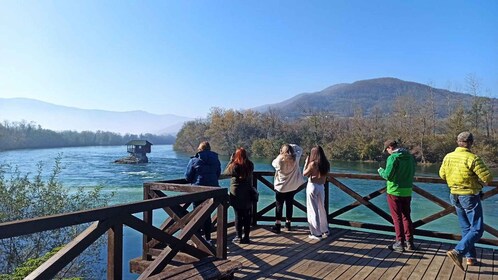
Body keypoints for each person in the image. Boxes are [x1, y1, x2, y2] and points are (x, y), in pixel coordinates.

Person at [439, 132, 493, 270]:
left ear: (458, 142)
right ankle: (458, 251)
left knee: (466, 228)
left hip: (454, 195)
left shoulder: (448, 157)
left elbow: (442, 174)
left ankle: (470, 258)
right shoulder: (472, 158)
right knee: (477, 229)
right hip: (469, 196)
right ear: (470, 143)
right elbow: (488, 178)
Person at [378, 139, 416, 252]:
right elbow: (413, 171)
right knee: (406, 216)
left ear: (390, 147)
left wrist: (380, 171)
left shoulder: (393, 158)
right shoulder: (409, 157)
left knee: (397, 218)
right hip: (407, 190)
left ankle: (399, 242)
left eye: (387, 149)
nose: (387, 152)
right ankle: (410, 242)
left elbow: (388, 175)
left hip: (394, 190)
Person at [185, 141, 221, 244]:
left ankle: (198, 239)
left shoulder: (194, 160)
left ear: (199, 149)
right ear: (209, 149)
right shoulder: (216, 159)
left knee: (197, 214)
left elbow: (187, 177)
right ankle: (208, 238)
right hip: (212, 190)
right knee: (207, 214)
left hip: (198, 190)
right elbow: (217, 174)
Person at [224, 147, 255, 244]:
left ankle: (238, 236)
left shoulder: (235, 166)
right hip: (248, 192)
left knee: (238, 215)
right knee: (247, 216)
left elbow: (226, 173)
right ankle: (246, 237)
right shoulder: (250, 165)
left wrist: (231, 161)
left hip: (236, 193)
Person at [271, 143, 305, 233]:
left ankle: (278, 225)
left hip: (281, 187)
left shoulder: (278, 160)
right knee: (289, 205)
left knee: (279, 205)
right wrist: (291, 145)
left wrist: (281, 153)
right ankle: (288, 224)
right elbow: (300, 149)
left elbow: (273, 163)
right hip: (292, 186)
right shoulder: (295, 159)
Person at [303, 145, 330, 240]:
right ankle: (324, 230)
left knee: (312, 209)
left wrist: (306, 163)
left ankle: (316, 233)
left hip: (313, 186)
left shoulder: (313, 164)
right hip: (321, 186)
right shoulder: (326, 163)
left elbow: (305, 174)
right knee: (321, 208)